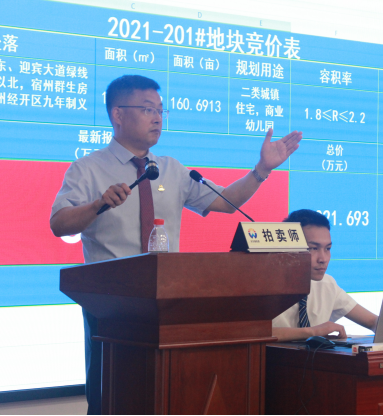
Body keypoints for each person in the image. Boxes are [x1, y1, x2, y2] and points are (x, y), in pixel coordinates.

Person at [50, 74, 302, 414]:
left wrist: (261, 170)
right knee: (111, 396)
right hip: (112, 308)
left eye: (160, 110)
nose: (157, 118)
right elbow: (59, 223)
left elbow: (226, 202)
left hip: (169, 306)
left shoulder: (172, 170)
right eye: (147, 109)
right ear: (118, 114)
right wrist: (98, 204)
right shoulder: (88, 169)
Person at [271, 209, 378, 341]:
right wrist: (311, 332)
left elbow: (372, 321)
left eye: (328, 249)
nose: (323, 259)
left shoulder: (327, 284)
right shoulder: (262, 286)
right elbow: (251, 333)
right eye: (313, 248)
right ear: (288, 248)